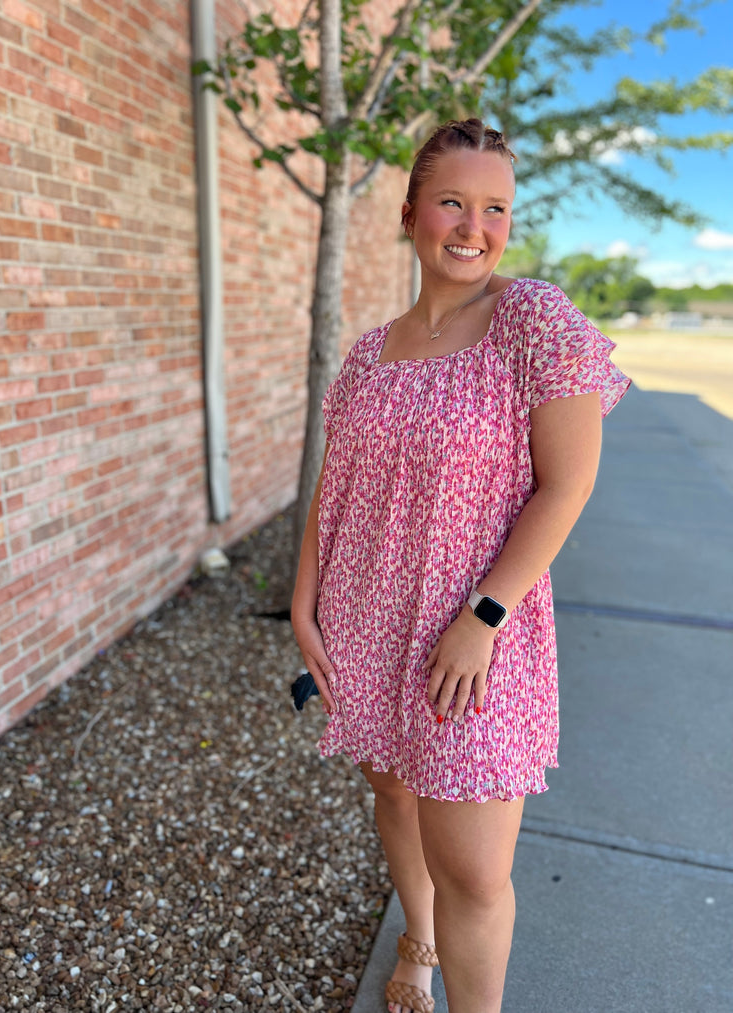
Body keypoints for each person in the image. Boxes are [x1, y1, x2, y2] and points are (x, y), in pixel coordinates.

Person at [291, 118, 630, 1013]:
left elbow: (567, 487)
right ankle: (418, 941)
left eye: (495, 208)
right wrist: (302, 601)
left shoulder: (533, 321)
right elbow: (336, 486)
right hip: (366, 620)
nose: (473, 226)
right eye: (452, 202)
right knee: (394, 794)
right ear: (410, 215)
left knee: (477, 870)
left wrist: (483, 618)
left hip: (475, 640)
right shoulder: (368, 352)